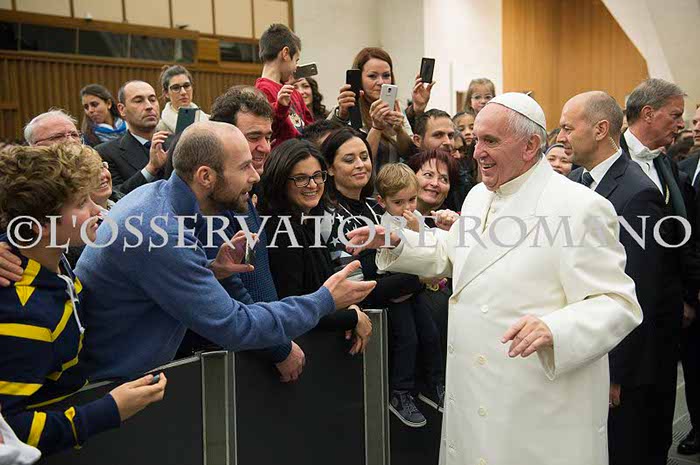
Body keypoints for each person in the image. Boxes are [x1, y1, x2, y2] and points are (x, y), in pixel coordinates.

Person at [347, 92, 642, 465]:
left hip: (536, 404)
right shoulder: (477, 196)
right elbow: (455, 254)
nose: (476, 153)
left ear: (530, 146)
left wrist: (555, 329)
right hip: (473, 396)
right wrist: (398, 241)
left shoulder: (580, 208)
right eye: (476, 140)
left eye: (490, 141)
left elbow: (617, 303)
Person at [80, 122, 375, 381]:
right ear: (206, 176)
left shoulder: (161, 200)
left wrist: (211, 270)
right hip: (108, 386)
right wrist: (324, 300)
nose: (255, 176)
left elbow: (155, 283)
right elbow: (236, 325)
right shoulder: (160, 232)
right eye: (244, 167)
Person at [0, 143, 166, 455]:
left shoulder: (54, 259)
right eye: (80, 203)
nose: (97, 211)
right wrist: (109, 410)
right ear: (40, 226)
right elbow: (9, 430)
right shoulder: (23, 312)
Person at [559, 91, 665, 465]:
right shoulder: (575, 180)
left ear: (601, 129)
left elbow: (639, 291)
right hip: (580, 343)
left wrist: (616, 373)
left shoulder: (638, 193)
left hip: (615, 360)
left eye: (568, 128)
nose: (561, 137)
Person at [620, 78, 700, 464]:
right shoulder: (605, 163)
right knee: (625, 421)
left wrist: (687, 296)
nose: (681, 124)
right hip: (623, 314)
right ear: (648, 113)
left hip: (666, 315)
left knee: (660, 411)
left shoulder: (667, 164)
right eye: (675, 115)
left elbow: (684, 235)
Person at [258, 139, 372, 354]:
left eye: (317, 176)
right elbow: (291, 307)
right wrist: (351, 317)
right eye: (301, 179)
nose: (312, 185)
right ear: (280, 182)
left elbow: (323, 292)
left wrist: (349, 307)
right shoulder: (281, 231)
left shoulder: (308, 223)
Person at [375, 163, 445, 428]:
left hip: (414, 291)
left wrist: (418, 229)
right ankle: (400, 392)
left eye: (412, 200)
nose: (406, 208)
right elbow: (387, 262)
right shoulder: (385, 225)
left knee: (431, 333)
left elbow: (431, 251)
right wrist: (415, 233)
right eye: (398, 202)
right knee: (407, 338)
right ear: (382, 201)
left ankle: (434, 384)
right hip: (396, 291)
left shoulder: (416, 218)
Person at [330, 47, 428, 172]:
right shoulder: (345, 111)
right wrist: (376, 128)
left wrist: (399, 130)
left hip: (393, 182)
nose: (381, 82)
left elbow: (410, 155)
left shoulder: (396, 108)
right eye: (372, 76)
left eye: (386, 75)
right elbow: (361, 161)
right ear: (359, 79)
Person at [96, 80, 170, 194]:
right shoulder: (106, 153)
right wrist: (150, 169)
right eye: (139, 101)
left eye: (152, 99)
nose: (149, 106)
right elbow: (116, 195)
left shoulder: (176, 143)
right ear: (122, 109)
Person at [255, 24, 314, 147]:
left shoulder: (295, 93)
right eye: (296, 60)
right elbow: (268, 132)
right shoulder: (261, 91)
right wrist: (280, 107)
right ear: (285, 53)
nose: (296, 67)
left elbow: (311, 130)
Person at [155, 65, 209, 133]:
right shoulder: (159, 128)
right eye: (176, 88)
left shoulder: (208, 120)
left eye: (186, 86)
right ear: (166, 93)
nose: (183, 92)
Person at [405, 149, 458, 216]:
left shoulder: (449, 221)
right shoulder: (393, 215)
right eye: (428, 175)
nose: (435, 183)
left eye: (443, 179)